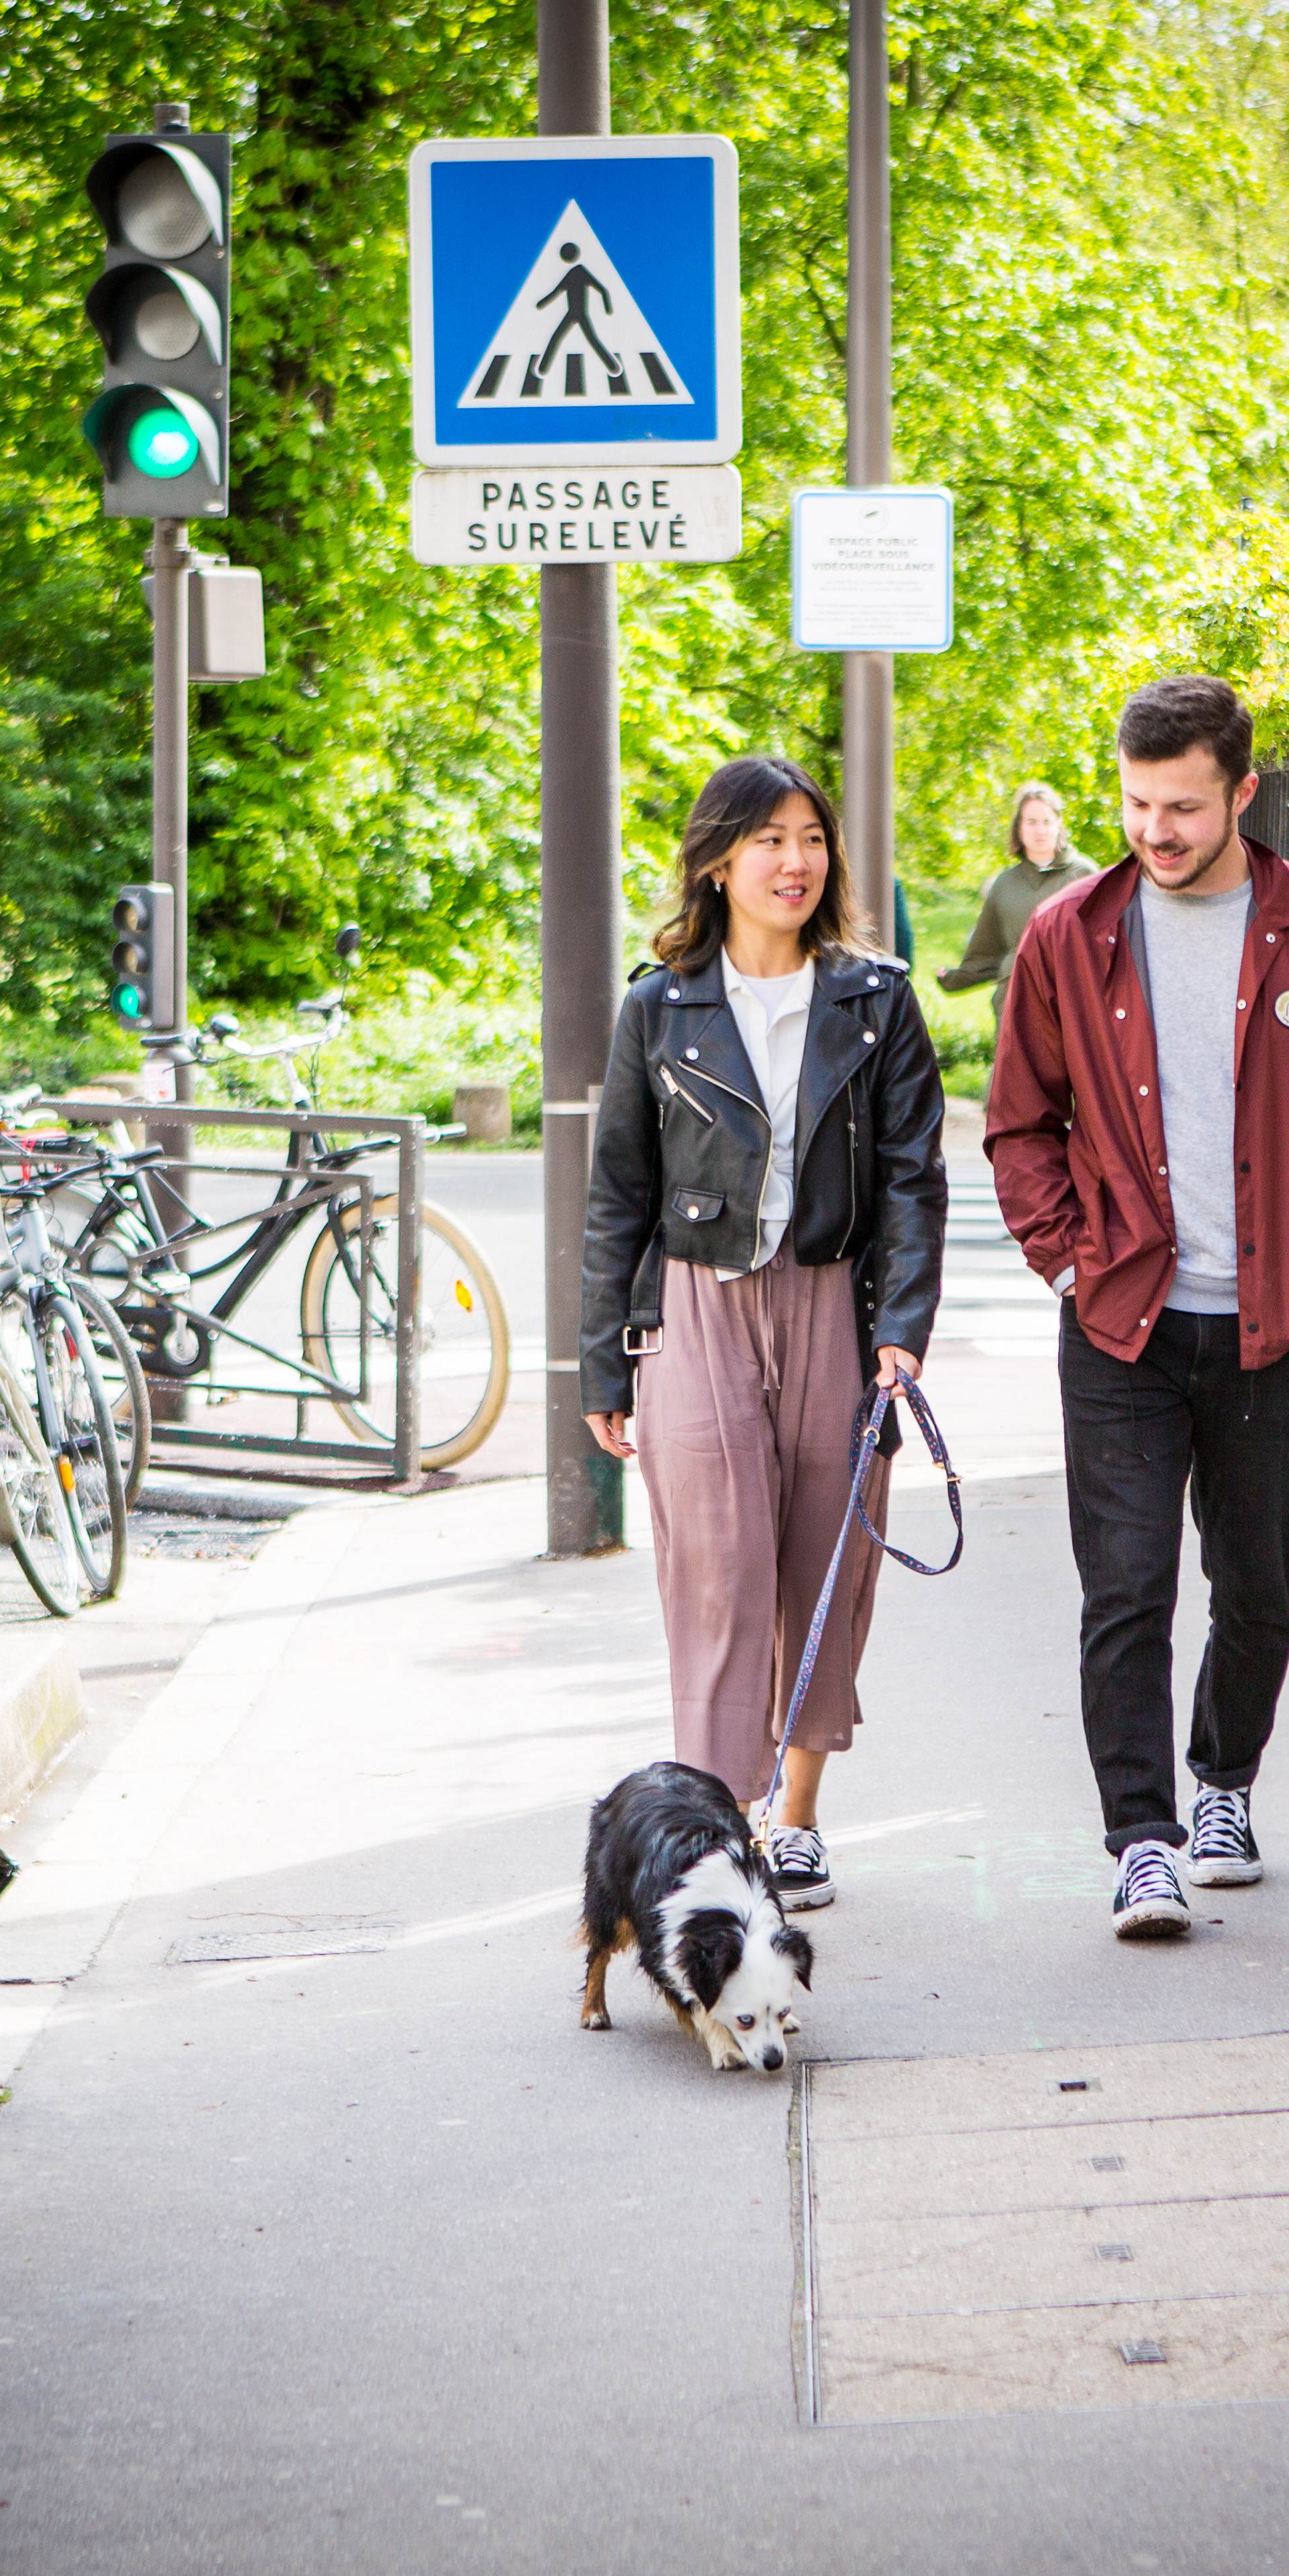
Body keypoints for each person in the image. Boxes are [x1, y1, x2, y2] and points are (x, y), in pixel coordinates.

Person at [982, 676, 1289, 1940]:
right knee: (1124, 1587)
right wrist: (1066, 1262)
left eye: (1181, 807)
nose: (1154, 831)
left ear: (1241, 793)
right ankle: (1142, 1840)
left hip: (1271, 1324)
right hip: (1119, 1321)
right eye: (1134, 803)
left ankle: (1222, 1781)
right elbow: (1022, 1125)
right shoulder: (1071, 935)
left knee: (1256, 1583)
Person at [581, 756, 948, 1912]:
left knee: (820, 1562)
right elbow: (615, 1196)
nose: (795, 862)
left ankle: (794, 1820)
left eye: (811, 838)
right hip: (695, 1306)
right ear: (718, 860)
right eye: (768, 840)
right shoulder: (662, 1004)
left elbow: (912, 1178)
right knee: (718, 1573)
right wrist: (605, 1362)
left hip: (835, 1304)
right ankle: (716, 1818)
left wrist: (901, 1328)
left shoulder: (873, 998)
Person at [935, 782, 1096, 1015]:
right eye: (1031, 822)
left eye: (1047, 822)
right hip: (1016, 1006)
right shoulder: (1004, 885)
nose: (1040, 830)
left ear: (1059, 824)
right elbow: (987, 950)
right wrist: (955, 978)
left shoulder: (1085, 875)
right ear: (1019, 828)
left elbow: (1108, 945)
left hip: (1073, 1004)